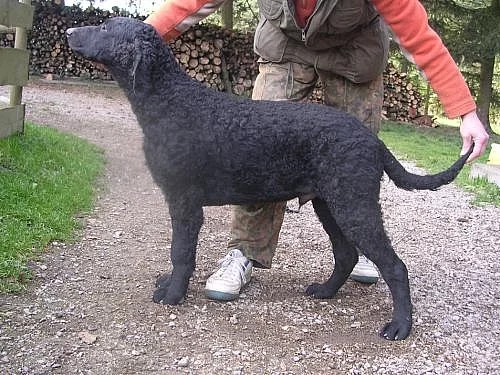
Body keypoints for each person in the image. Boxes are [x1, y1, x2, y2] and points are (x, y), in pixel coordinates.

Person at [145, 0, 489, 301]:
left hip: (355, 52)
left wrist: (463, 110)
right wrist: (136, 36)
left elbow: (418, 36)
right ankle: (244, 251)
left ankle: (360, 243)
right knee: (252, 146)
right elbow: (187, 6)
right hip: (286, 48)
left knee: (349, 157)